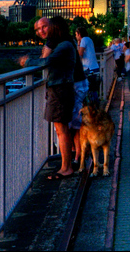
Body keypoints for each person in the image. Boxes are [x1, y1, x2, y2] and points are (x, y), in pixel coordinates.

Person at [43, 18, 77, 179]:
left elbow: (46, 61)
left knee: (62, 130)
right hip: (62, 89)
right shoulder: (66, 44)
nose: (45, 31)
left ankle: (66, 168)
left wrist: (26, 61)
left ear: (55, 29)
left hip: (60, 90)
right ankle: (66, 166)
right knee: (61, 129)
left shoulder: (64, 46)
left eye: (48, 28)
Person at [75, 25, 100, 102]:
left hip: (88, 68)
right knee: (93, 89)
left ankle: (92, 108)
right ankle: (96, 106)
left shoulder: (83, 40)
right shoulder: (89, 39)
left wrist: (78, 44)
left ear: (79, 34)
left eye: (76, 34)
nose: (76, 36)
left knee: (88, 88)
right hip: (94, 66)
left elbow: (80, 54)